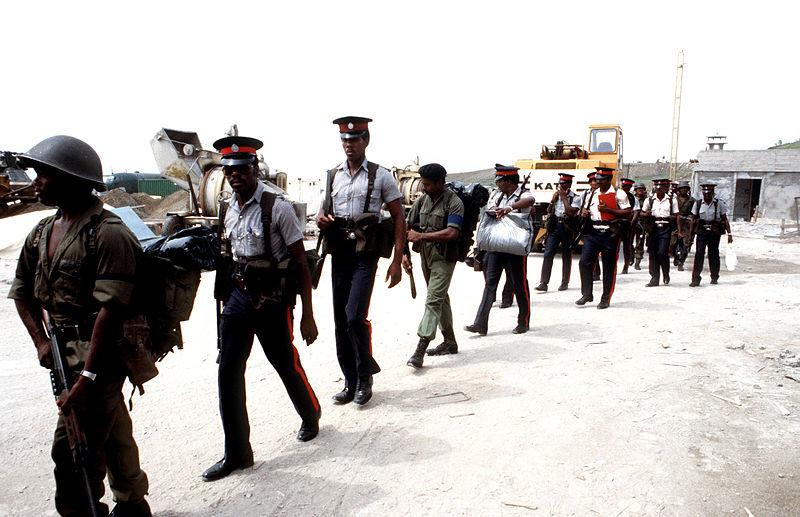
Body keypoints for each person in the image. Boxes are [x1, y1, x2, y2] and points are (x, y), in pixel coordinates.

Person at [9, 136, 151, 516]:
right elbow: (22, 291)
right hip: (62, 352)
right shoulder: (41, 232)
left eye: (45, 174)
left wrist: (87, 378)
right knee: (113, 427)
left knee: (73, 453)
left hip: (102, 355)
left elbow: (112, 310)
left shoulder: (108, 233)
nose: (36, 181)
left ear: (73, 179)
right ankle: (134, 504)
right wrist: (41, 343)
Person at [203, 135, 321, 482]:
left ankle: (310, 413)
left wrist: (308, 315)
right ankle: (237, 452)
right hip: (239, 296)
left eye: (242, 168)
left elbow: (300, 262)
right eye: (229, 169)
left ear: (255, 168)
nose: (235, 175)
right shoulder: (226, 208)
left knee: (284, 361)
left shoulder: (277, 206)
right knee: (228, 371)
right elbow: (229, 256)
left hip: (272, 298)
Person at [316, 116, 405, 406]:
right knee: (340, 319)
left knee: (355, 316)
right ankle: (350, 380)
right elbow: (322, 212)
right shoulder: (332, 175)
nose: (349, 145)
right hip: (339, 252)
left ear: (366, 141)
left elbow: (398, 216)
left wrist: (397, 258)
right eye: (345, 140)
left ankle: (365, 375)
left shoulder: (382, 175)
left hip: (365, 253)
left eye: (354, 139)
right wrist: (321, 219)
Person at [403, 163, 464, 367]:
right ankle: (449, 341)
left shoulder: (454, 202)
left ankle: (420, 347)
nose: (424, 188)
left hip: (444, 258)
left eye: (428, 184)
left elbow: (452, 233)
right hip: (426, 256)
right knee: (440, 297)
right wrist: (404, 255)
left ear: (440, 182)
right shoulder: (422, 201)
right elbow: (407, 227)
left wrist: (421, 236)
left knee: (433, 300)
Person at [466, 164, 534, 335]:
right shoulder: (497, 195)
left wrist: (509, 208)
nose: (497, 184)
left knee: (519, 283)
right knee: (490, 284)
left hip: (515, 246)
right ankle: (480, 323)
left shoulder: (523, 194)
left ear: (508, 181)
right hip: (496, 245)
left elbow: (530, 201)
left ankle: (523, 321)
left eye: (499, 180)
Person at [575, 166, 632, 309]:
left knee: (608, 267)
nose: (598, 182)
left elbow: (628, 213)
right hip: (593, 232)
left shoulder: (619, 194)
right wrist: (584, 212)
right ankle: (587, 294)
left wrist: (609, 210)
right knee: (584, 263)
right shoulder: (592, 193)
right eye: (596, 180)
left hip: (610, 233)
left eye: (601, 180)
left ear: (609, 179)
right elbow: (583, 208)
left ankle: (605, 298)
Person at [535, 173, 577, 291]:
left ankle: (564, 282)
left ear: (569, 184)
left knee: (566, 255)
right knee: (548, 253)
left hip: (567, 227)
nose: (561, 186)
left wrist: (564, 198)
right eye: (560, 183)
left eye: (563, 183)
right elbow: (548, 210)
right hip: (555, 227)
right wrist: (552, 201)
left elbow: (570, 212)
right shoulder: (556, 196)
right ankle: (543, 282)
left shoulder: (575, 197)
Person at [689, 183, 733, 286]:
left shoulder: (719, 204)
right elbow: (693, 220)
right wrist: (691, 235)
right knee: (699, 254)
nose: (707, 195)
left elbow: (724, 219)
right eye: (705, 193)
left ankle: (714, 277)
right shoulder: (698, 204)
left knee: (713, 254)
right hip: (702, 231)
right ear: (702, 193)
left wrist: (729, 233)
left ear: (713, 193)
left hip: (714, 232)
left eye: (709, 193)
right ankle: (695, 279)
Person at [641, 179, 679, 287]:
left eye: (662, 187)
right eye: (657, 187)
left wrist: (678, 229)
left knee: (662, 253)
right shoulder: (649, 200)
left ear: (666, 188)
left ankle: (666, 273)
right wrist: (646, 214)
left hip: (666, 228)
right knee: (652, 253)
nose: (659, 189)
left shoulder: (672, 200)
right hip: (653, 228)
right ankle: (654, 278)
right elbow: (642, 213)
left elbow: (677, 215)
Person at [671, 180, 696, 271]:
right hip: (674, 224)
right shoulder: (674, 200)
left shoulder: (692, 200)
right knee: (672, 243)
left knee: (685, 244)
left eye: (685, 188)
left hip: (686, 225)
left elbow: (694, 213)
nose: (684, 190)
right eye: (682, 188)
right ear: (678, 190)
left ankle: (681, 262)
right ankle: (675, 256)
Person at [618, 178, 636, 274]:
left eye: (628, 186)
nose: (626, 188)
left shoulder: (632, 197)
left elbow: (636, 211)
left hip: (628, 224)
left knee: (627, 246)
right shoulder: (617, 195)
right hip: (617, 223)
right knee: (615, 246)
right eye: (624, 186)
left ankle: (626, 265)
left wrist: (631, 223)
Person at [630, 182, 648, 270]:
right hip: (632, 223)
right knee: (629, 242)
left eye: (642, 189)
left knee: (640, 243)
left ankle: (637, 262)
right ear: (635, 190)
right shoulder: (631, 199)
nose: (640, 191)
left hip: (642, 224)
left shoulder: (647, 200)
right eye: (638, 189)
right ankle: (630, 256)